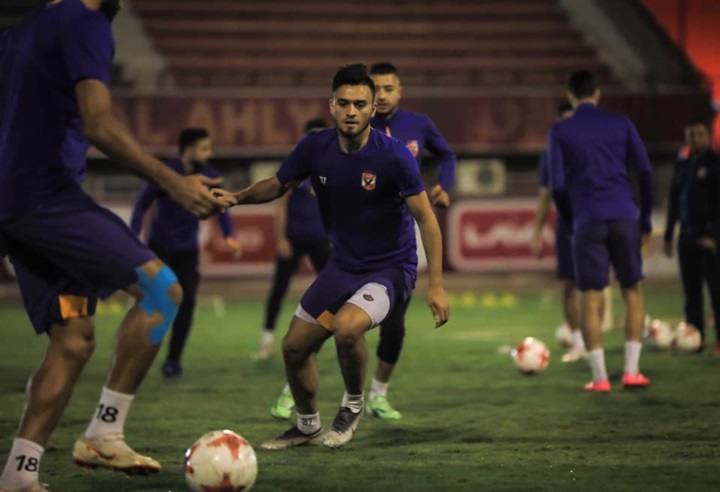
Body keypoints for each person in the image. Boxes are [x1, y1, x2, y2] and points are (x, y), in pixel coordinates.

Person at [0, 2, 233, 491]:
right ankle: (104, 432)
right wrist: (174, 182)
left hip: (14, 208)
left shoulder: (20, 34)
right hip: (49, 200)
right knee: (162, 292)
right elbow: (100, 125)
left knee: (73, 340)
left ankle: (19, 475)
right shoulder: (84, 22)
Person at [229, 64, 449, 450]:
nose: (351, 111)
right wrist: (235, 198)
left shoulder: (394, 156)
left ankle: (352, 406)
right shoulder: (314, 147)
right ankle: (307, 426)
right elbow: (278, 185)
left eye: (360, 104)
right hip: (343, 267)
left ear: (372, 109)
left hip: (391, 269)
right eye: (344, 103)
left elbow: (427, 221)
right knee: (294, 347)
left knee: (347, 328)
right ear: (331, 105)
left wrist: (437, 285)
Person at [547, 70, 653, 392]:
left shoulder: (560, 130)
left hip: (587, 218)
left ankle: (600, 377)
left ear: (570, 96)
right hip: (624, 214)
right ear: (597, 93)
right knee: (632, 290)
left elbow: (557, 185)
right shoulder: (621, 123)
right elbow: (645, 171)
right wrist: (645, 219)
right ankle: (632, 372)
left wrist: (571, 220)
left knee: (590, 296)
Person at [130, 128, 241, 379]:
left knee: (187, 303)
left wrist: (229, 235)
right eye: (204, 148)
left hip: (188, 252)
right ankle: (137, 357)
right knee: (154, 304)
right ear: (188, 149)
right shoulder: (166, 173)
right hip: (159, 249)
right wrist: (132, 238)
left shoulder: (209, 175)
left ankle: (173, 361)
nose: (209, 154)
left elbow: (222, 206)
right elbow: (141, 205)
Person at [255, 118, 331, 365]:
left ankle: (326, 338)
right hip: (295, 238)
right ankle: (266, 341)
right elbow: (280, 205)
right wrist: (281, 239)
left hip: (321, 238)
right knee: (278, 290)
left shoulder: (331, 167)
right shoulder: (296, 166)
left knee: (334, 290)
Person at [531, 102, 587, 362]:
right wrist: (538, 232)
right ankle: (579, 342)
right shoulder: (551, 155)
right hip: (566, 224)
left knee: (595, 284)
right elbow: (546, 196)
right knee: (568, 283)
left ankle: (593, 341)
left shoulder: (591, 149)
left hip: (593, 220)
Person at [663, 119, 720, 356]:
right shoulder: (683, 165)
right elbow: (674, 201)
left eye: (699, 134)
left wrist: (715, 236)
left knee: (716, 290)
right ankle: (695, 339)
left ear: (707, 137)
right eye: (691, 135)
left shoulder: (715, 164)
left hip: (708, 234)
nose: (695, 139)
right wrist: (669, 234)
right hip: (686, 235)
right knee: (691, 292)